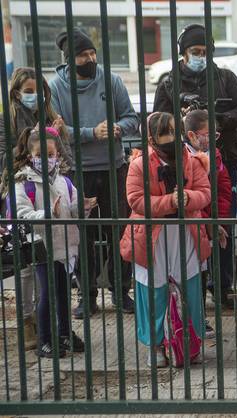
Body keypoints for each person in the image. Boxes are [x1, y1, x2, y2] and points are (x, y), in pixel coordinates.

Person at [49, 28, 139, 319]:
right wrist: (92, 132)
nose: (90, 59)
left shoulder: (110, 80)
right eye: (83, 55)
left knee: (121, 230)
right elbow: (56, 132)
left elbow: (132, 119)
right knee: (82, 236)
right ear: (69, 59)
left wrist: (117, 127)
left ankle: (121, 289)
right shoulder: (56, 89)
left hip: (114, 167)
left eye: (92, 54)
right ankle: (86, 296)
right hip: (77, 171)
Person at [120, 112, 210, 368]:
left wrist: (188, 198)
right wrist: (169, 201)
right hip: (152, 236)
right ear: (152, 137)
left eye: (174, 131)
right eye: (165, 133)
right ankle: (155, 344)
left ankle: (190, 343)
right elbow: (135, 200)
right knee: (152, 290)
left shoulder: (192, 161)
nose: (172, 138)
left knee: (189, 288)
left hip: (185, 234)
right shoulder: (139, 164)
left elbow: (205, 193)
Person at [3, 67, 74, 350]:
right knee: (28, 267)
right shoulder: (6, 120)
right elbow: (5, 161)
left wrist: (60, 136)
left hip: (55, 204)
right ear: (17, 92)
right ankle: (30, 325)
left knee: (60, 284)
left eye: (39, 91)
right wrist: (28, 155)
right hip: (24, 196)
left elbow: (65, 159)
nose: (35, 96)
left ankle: (63, 331)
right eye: (29, 91)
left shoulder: (51, 118)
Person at [12, 127, 90, 358]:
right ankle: (45, 339)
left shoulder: (64, 181)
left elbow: (72, 209)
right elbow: (21, 214)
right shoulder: (23, 182)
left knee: (64, 291)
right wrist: (48, 212)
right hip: (41, 246)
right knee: (47, 292)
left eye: (52, 154)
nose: (47, 159)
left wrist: (83, 208)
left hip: (66, 244)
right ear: (30, 155)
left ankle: (64, 333)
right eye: (41, 154)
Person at [153, 24, 237, 189]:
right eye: (195, 52)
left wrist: (216, 120)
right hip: (183, 162)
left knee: (226, 209)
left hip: (226, 157)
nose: (201, 57)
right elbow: (157, 123)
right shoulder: (168, 84)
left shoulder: (226, 78)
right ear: (184, 53)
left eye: (205, 52)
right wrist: (182, 121)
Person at [183, 110, 237, 321]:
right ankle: (195, 316)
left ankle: (219, 293)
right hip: (196, 221)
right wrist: (206, 220)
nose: (212, 139)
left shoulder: (215, 155)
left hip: (214, 217)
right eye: (207, 134)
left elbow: (224, 186)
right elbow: (192, 195)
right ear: (191, 135)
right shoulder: (184, 157)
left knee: (213, 261)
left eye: (215, 135)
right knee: (194, 271)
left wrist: (219, 216)